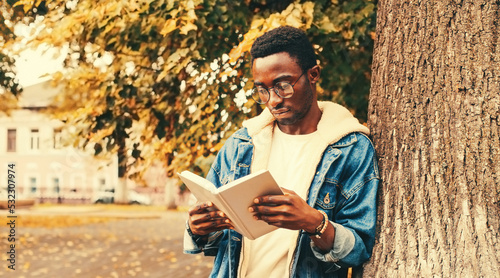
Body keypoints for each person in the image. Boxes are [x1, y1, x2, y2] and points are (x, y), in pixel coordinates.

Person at [184, 25, 379, 278]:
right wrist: (197, 229)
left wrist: (314, 223)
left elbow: (360, 248)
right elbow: (214, 241)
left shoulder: (351, 149)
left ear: (313, 74)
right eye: (262, 90)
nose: (273, 100)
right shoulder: (241, 144)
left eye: (283, 85)